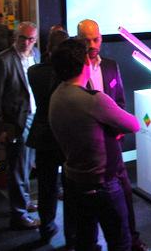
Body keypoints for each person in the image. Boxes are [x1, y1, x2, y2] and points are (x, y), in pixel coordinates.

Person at [49, 37, 140, 251]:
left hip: (75, 181)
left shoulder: (56, 96)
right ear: (85, 64)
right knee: (120, 242)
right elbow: (134, 124)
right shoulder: (94, 100)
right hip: (103, 183)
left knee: (86, 240)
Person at [77, 19, 148, 251]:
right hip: (88, 149)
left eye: (96, 39)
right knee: (92, 210)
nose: (92, 45)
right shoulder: (73, 71)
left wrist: (117, 131)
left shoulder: (110, 65)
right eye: (86, 40)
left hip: (112, 144)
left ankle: (133, 240)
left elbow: (120, 102)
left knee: (125, 196)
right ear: (78, 41)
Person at [0, 21, 41, 230]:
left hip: (34, 116)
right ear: (15, 37)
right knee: (17, 167)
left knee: (27, 163)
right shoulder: (2, 59)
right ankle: (18, 214)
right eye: (22, 38)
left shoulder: (36, 55)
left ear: (35, 40)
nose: (26, 42)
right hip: (13, 121)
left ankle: (24, 201)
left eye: (30, 39)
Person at [26, 29, 69, 244]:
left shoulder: (33, 71)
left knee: (46, 187)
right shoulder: (67, 75)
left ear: (48, 48)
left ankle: (46, 228)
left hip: (43, 134)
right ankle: (72, 235)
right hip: (65, 134)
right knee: (70, 187)